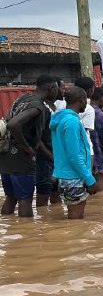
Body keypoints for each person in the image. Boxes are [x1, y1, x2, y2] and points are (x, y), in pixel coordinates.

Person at [0, 75, 59, 217]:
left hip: (6, 156)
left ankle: (14, 233)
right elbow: (13, 124)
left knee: (11, 198)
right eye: (57, 88)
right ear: (51, 88)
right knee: (25, 200)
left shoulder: (23, 98)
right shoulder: (37, 106)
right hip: (21, 159)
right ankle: (27, 234)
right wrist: (28, 148)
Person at [50, 86, 100, 219]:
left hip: (65, 176)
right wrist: (90, 180)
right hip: (73, 177)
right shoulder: (72, 121)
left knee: (74, 218)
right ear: (82, 100)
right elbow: (74, 155)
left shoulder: (61, 119)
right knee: (76, 220)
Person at [35, 79, 64, 208]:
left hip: (54, 157)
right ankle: (41, 223)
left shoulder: (51, 107)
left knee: (56, 190)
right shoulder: (41, 108)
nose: (62, 90)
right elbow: (37, 137)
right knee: (44, 191)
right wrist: (50, 156)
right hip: (45, 158)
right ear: (52, 88)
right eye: (60, 88)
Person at [73, 77, 96, 158]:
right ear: (90, 90)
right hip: (84, 151)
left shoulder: (63, 104)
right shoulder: (89, 109)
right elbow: (83, 132)